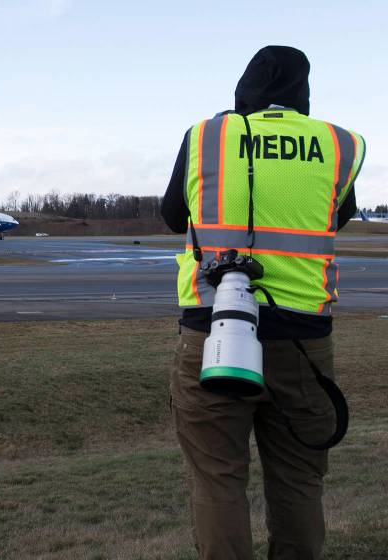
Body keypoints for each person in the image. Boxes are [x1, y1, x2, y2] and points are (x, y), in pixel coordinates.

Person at [162, 46, 365, 559]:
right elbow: (336, 219)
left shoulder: (208, 136)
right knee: (299, 481)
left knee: (217, 481)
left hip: (212, 331)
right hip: (303, 341)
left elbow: (171, 215)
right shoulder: (341, 144)